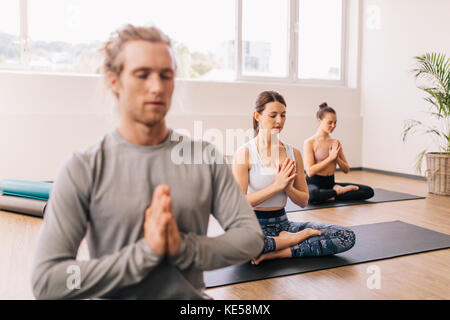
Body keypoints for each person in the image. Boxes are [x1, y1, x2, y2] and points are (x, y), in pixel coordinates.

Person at [31, 24, 263, 300]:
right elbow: (49, 281)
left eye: (166, 75)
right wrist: (145, 254)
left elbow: (250, 238)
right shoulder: (82, 168)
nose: (157, 87)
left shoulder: (205, 157)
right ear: (114, 81)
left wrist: (182, 248)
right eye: (142, 75)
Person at [232, 91, 356, 265]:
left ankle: (276, 252)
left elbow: (304, 201)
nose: (279, 121)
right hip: (251, 227)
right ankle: (291, 241)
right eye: (273, 115)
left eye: (283, 115)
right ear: (257, 116)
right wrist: (276, 186)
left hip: (284, 225)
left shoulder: (293, 153)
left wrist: (288, 188)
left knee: (346, 236)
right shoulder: (244, 153)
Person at [303, 102, 374, 204]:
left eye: (335, 122)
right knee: (313, 195)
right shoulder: (309, 142)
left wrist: (337, 159)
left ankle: (331, 194)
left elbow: (346, 169)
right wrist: (330, 159)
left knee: (368, 191)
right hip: (314, 184)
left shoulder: (335, 142)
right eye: (330, 122)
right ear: (319, 121)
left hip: (331, 183)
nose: (333, 125)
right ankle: (337, 193)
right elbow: (309, 171)